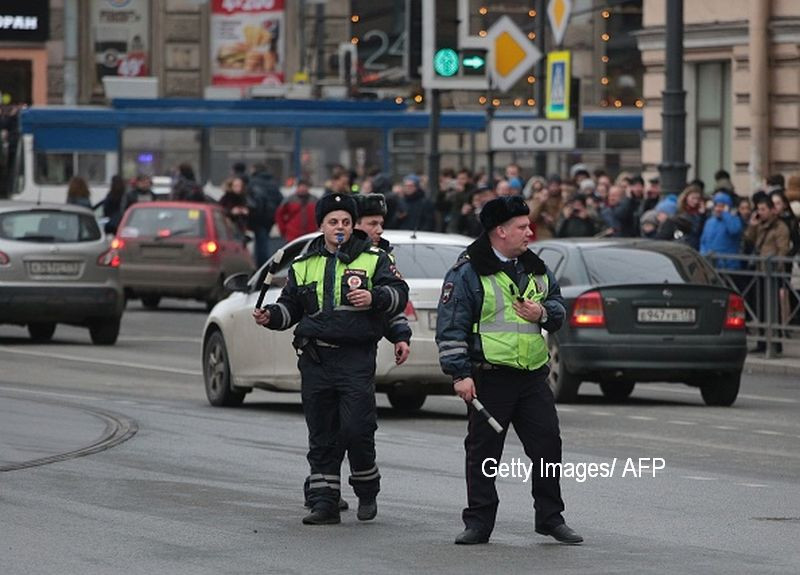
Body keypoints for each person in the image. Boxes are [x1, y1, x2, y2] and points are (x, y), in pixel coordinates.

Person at [253, 193, 409, 525]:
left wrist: (374, 297)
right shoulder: (304, 264)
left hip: (355, 358)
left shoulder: (374, 258)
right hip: (316, 358)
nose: (340, 228)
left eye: (346, 222)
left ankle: (367, 490)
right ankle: (324, 501)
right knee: (321, 432)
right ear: (321, 226)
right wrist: (272, 316)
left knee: (356, 429)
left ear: (353, 226)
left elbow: (398, 295)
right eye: (333, 222)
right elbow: (291, 307)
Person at [435, 195, 583, 546]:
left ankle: (550, 518)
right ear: (499, 232)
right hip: (490, 376)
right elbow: (451, 326)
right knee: (484, 453)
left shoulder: (535, 267)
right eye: (521, 227)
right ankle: (479, 523)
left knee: (548, 447)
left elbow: (559, 307)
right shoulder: (468, 272)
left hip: (532, 376)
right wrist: (460, 374)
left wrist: (543, 314)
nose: (529, 232)